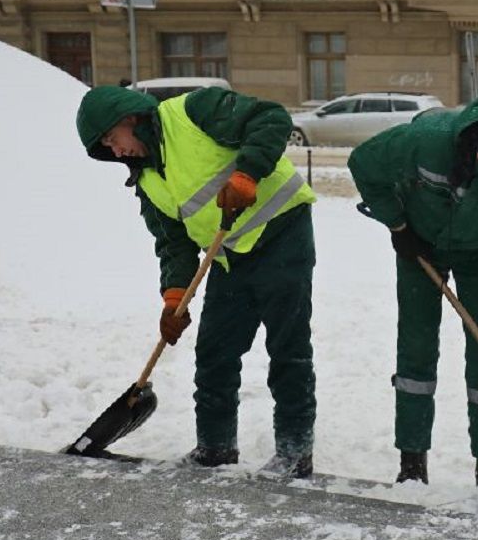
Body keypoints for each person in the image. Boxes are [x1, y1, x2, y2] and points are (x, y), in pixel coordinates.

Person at [75, 84, 318, 476]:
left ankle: (294, 452)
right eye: (107, 147)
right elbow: (173, 244)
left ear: (129, 119)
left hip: (281, 235)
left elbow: (270, 118)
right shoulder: (147, 179)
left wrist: (247, 173)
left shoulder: (193, 111)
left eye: (112, 139)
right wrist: (175, 299)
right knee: (214, 353)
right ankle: (215, 448)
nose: (116, 152)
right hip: (228, 257)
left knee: (287, 347)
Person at [348, 91, 478, 486]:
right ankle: (412, 459)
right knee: (416, 347)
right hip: (420, 245)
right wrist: (398, 225)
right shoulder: (427, 142)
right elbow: (363, 162)